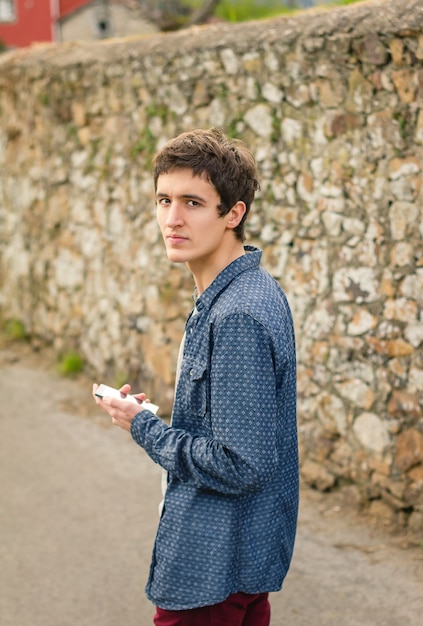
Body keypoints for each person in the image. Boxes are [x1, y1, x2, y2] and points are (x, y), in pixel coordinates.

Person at [93, 127, 299, 626]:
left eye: (192, 202)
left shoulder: (236, 315)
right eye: (164, 200)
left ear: (234, 213)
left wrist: (145, 428)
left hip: (212, 569)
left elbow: (241, 463)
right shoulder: (243, 290)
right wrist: (152, 418)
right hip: (239, 562)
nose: (172, 218)